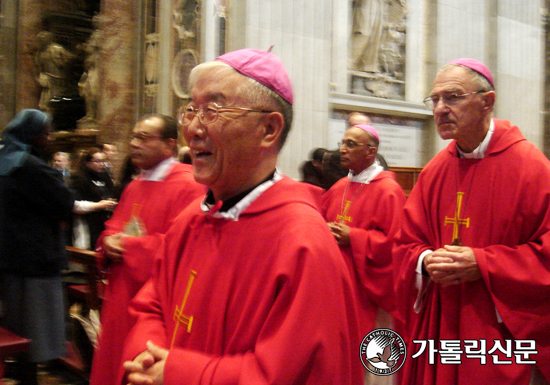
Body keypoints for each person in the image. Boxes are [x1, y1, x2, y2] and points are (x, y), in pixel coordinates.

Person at [121, 49, 363, 385]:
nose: (193, 128)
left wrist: (178, 373)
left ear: (268, 129)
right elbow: (152, 305)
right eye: (191, 109)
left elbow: (293, 372)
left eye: (214, 109)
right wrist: (147, 356)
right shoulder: (190, 220)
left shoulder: (303, 244)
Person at [394, 58, 550, 384]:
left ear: (487, 102)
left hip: (495, 328)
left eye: (452, 97)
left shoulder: (530, 167)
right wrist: (425, 260)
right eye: (434, 99)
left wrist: (484, 263)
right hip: (441, 324)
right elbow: (404, 243)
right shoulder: (436, 170)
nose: (440, 108)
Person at [89, 114, 205, 385]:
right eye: (133, 137)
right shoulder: (134, 185)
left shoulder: (190, 185)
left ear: (170, 145)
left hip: (153, 302)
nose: (133, 144)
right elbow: (113, 227)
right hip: (120, 293)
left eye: (143, 138)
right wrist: (107, 241)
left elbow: (186, 247)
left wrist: (129, 246)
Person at [0, 109, 74, 384]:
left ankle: (20, 371)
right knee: (35, 329)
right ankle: (29, 375)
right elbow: (64, 202)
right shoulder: (29, 166)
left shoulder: (5, 160)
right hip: (36, 258)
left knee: (17, 324)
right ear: (31, 135)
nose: (50, 137)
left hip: (9, 257)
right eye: (45, 132)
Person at [321, 124, 405, 341]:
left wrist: (354, 237)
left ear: (371, 152)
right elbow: (319, 219)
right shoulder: (340, 185)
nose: (342, 150)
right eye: (343, 143)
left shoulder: (388, 190)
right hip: (337, 281)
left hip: (367, 290)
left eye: (351, 144)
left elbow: (395, 243)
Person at [70, 147, 117, 250]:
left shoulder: (106, 177)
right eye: (97, 161)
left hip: (104, 221)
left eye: (103, 161)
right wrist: (99, 205)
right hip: (87, 224)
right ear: (87, 163)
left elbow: (111, 192)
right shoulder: (79, 179)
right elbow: (74, 204)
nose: (101, 164)